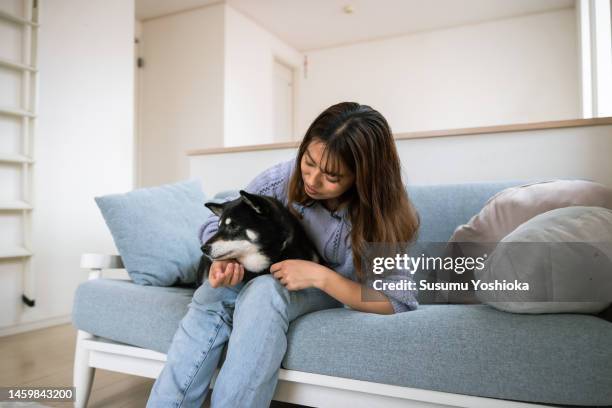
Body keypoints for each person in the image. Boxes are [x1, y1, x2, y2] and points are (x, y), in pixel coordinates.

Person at [146, 102, 420, 408]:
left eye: (332, 176)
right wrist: (222, 260)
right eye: (309, 162)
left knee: (265, 290)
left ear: (363, 178)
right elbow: (219, 222)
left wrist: (320, 275)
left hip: (332, 292)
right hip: (273, 277)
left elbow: (397, 301)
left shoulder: (380, 216)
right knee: (212, 294)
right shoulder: (281, 179)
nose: (313, 180)